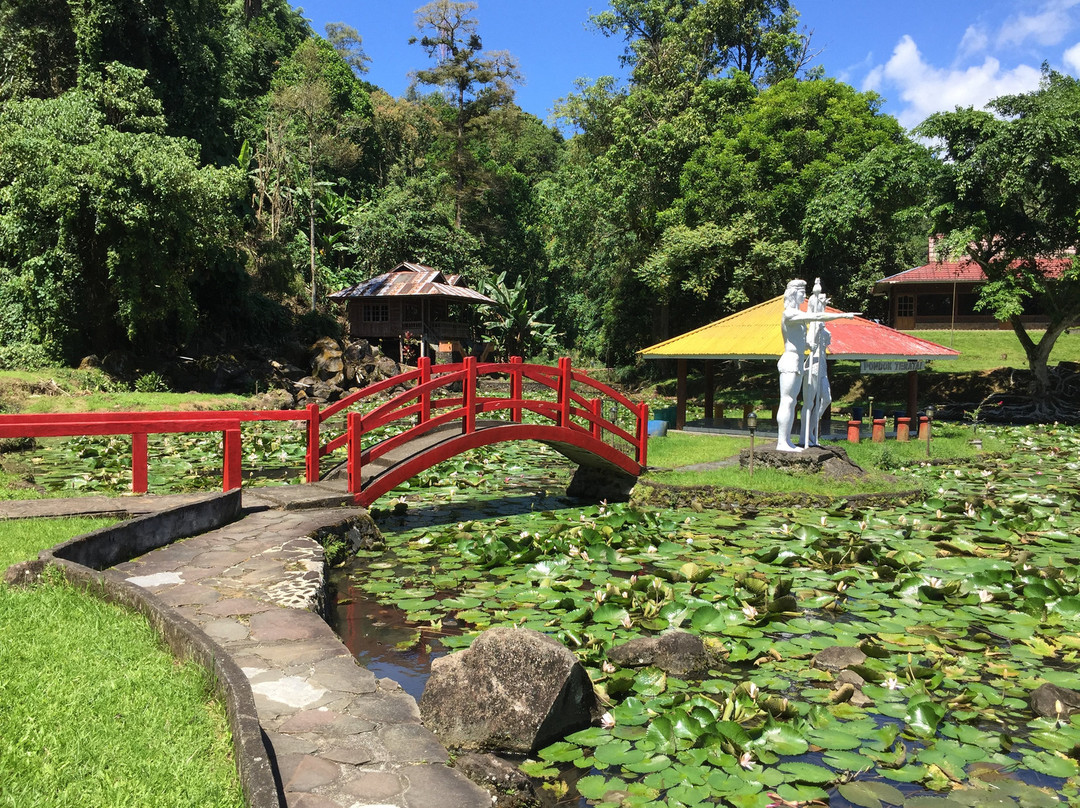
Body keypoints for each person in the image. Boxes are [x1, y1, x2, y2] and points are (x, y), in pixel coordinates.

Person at [776, 279, 856, 452]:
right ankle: (782, 441)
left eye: (805, 292)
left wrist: (807, 345)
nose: (804, 295)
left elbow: (800, 339)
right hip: (790, 360)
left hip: (797, 361)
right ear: (792, 293)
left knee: (792, 402)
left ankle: (787, 441)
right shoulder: (789, 313)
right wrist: (841, 315)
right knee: (787, 401)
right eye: (801, 292)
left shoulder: (796, 314)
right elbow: (815, 316)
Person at [801, 279, 832, 447]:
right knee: (810, 402)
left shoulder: (824, 328)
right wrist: (816, 330)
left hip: (823, 367)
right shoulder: (812, 326)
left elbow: (826, 345)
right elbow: (808, 343)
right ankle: (806, 435)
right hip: (813, 366)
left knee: (826, 399)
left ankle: (813, 428)